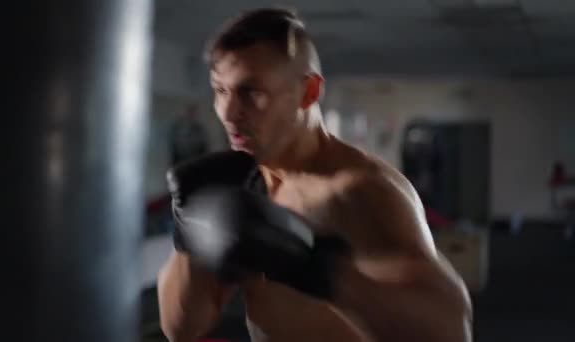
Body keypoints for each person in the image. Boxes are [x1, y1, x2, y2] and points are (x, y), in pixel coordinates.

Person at [157, 8, 472, 342]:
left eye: (251, 92)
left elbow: (451, 333)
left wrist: (327, 275)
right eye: (220, 90)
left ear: (308, 93)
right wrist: (188, 234)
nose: (229, 112)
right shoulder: (247, 185)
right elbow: (182, 328)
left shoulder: (361, 191)